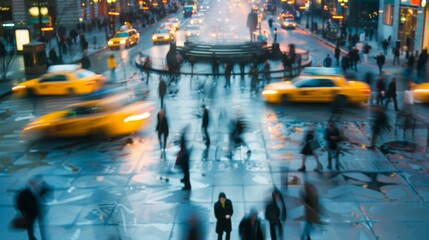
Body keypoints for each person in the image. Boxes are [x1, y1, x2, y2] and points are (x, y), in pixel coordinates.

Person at [16, 176, 51, 240]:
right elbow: (19, 202)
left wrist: (43, 184)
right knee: (30, 226)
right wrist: (22, 211)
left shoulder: (39, 189)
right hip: (29, 212)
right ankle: (31, 238)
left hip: (39, 211)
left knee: (42, 226)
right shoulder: (24, 192)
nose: (35, 184)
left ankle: (43, 237)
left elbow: (48, 190)